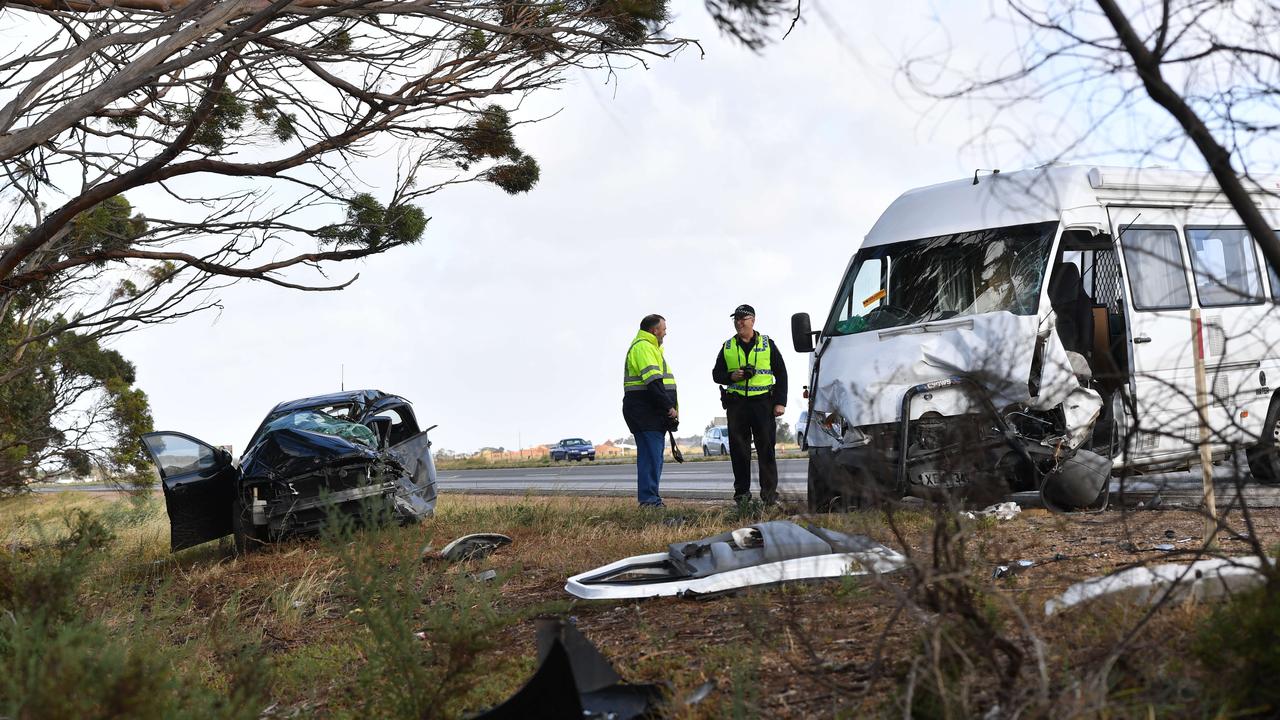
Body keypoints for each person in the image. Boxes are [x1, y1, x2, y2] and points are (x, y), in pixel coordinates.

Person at [711, 304, 787, 505]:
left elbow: (781, 373)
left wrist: (780, 402)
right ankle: (742, 496)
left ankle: (770, 496)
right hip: (737, 406)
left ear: (753, 320)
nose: (739, 323)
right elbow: (716, 374)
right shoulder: (727, 346)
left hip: (763, 404)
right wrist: (730, 376)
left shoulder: (766, 344)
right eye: (736, 319)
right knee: (739, 452)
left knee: (766, 451)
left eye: (743, 319)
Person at [623, 314, 678, 507]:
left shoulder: (650, 348)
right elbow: (653, 382)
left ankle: (650, 500)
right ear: (654, 330)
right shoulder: (644, 347)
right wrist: (668, 407)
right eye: (664, 328)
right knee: (650, 458)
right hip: (645, 413)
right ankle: (649, 502)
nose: (665, 332)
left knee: (653, 458)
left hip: (650, 413)